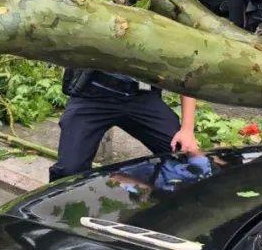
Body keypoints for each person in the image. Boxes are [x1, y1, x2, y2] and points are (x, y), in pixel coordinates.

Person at [49, 69, 199, 182]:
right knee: (69, 172)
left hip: (141, 97)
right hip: (92, 95)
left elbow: (187, 71)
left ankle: (146, 192)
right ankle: (52, 217)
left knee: (186, 158)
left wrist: (187, 129)